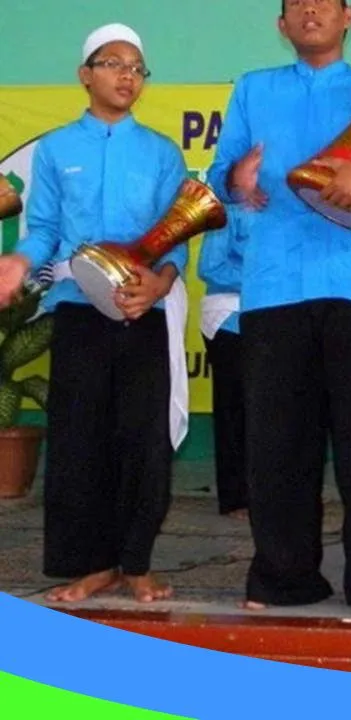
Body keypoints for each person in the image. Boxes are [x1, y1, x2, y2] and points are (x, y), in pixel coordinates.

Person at [205, 0, 351, 614]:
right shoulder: (253, 89)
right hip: (274, 285)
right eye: (295, 5)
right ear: (282, 24)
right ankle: (283, 578)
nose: (309, 10)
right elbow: (218, 169)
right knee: (277, 442)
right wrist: (238, 180)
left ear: (348, 17)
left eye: (323, 2)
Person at [0, 23, 188, 604]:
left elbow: (174, 238)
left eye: (136, 67)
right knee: (80, 442)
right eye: (112, 63)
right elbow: (46, 231)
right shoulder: (58, 150)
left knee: (143, 440)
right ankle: (90, 564)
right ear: (86, 75)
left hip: (142, 310)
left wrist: (157, 285)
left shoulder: (161, 152)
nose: (127, 74)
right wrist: (17, 263)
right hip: (78, 312)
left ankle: (136, 563)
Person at [198, 206, 252, 519]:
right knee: (235, 407)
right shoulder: (230, 209)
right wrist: (260, 278)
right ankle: (235, 498)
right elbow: (210, 266)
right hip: (229, 317)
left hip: (266, 315)